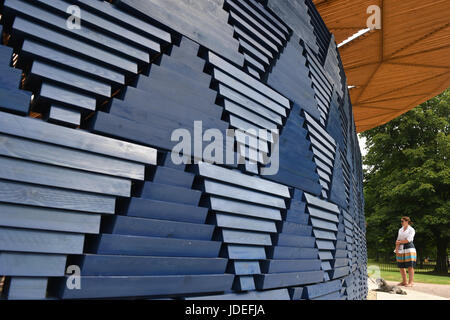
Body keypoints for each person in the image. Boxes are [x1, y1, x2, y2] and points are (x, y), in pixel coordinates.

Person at [394, 217, 416, 287]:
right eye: (401, 221)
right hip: (401, 248)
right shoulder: (400, 230)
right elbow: (398, 240)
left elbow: (408, 240)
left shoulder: (411, 229)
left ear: (407, 221)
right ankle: (404, 282)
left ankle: (411, 282)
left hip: (409, 248)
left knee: (410, 266)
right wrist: (396, 249)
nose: (401, 222)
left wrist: (399, 242)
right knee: (401, 266)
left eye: (402, 221)